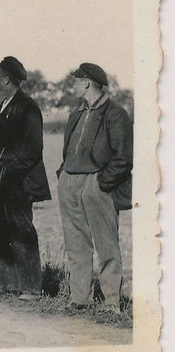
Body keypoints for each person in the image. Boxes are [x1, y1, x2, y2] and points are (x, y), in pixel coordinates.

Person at [57, 62, 133, 310]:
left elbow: (124, 158)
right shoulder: (76, 113)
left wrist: (101, 183)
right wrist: (64, 174)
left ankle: (111, 303)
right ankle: (80, 298)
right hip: (70, 182)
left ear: (87, 82)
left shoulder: (116, 113)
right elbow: (68, 149)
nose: (73, 84)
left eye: (76, 80)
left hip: (97, 185)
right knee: (75, 243)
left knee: (106, 244)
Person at [0, 56, 51, 300]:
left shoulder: (28, 106)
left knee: (21, 230)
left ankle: (31, 287)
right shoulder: (3, 104)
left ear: (8, 80)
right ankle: (4, 282)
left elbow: (33, 149)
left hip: (17, 181)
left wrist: (10, 172)